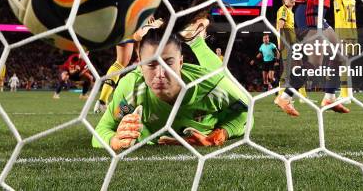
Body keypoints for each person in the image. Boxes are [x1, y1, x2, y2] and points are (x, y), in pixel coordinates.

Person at [92, 27, 249, 151]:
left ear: (180, 62)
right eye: (151, 64)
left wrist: (219, 135)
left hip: (210, 101)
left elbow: (246, 114)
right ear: (140, 64)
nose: (160, 74)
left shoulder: (214, 86)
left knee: (221, 73)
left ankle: (197, 42)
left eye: (168, 63)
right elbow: (102, 130)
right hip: (150, 139)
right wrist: (114, 141)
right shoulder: (131, 89)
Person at [94, 17, 165, 113]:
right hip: (137, 22)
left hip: (122, 22)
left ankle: (103, 101)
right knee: (144, 63)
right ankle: (129, 108)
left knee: (120, 64)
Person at [332, 0, 363, 102]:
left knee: (343, 65)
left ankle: (345, 95)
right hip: (353, 33)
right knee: (346, 65)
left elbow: (340, 18)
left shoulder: (338, 0)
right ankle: (348, 93)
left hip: (343, 34)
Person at [275, 0, 309, 102]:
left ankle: (302, 96)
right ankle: (282, 97)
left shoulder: (290, 12)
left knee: (298, 68)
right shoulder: (283, 10)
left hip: (293, 45)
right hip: (287, 45)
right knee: (289, 71)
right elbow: (280, 25)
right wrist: (280, 43)